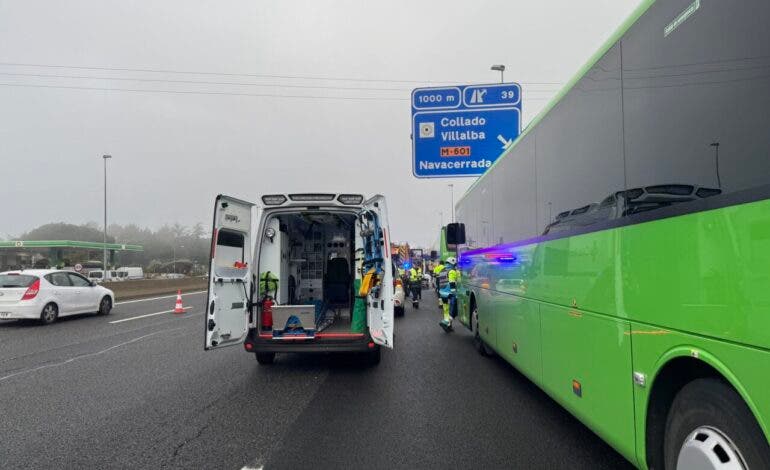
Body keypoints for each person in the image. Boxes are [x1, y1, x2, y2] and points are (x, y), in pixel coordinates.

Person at [439, 257, 459, 332]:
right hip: (449, 292)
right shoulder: (452, 271)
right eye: (455, 264)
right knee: (454, 307)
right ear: (452, 263)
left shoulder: (442, 270)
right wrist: (454, 292)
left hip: (442, 292)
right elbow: (452, 282)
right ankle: (447, 322)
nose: (455, 266)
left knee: (446, 310)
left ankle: (448, 326)